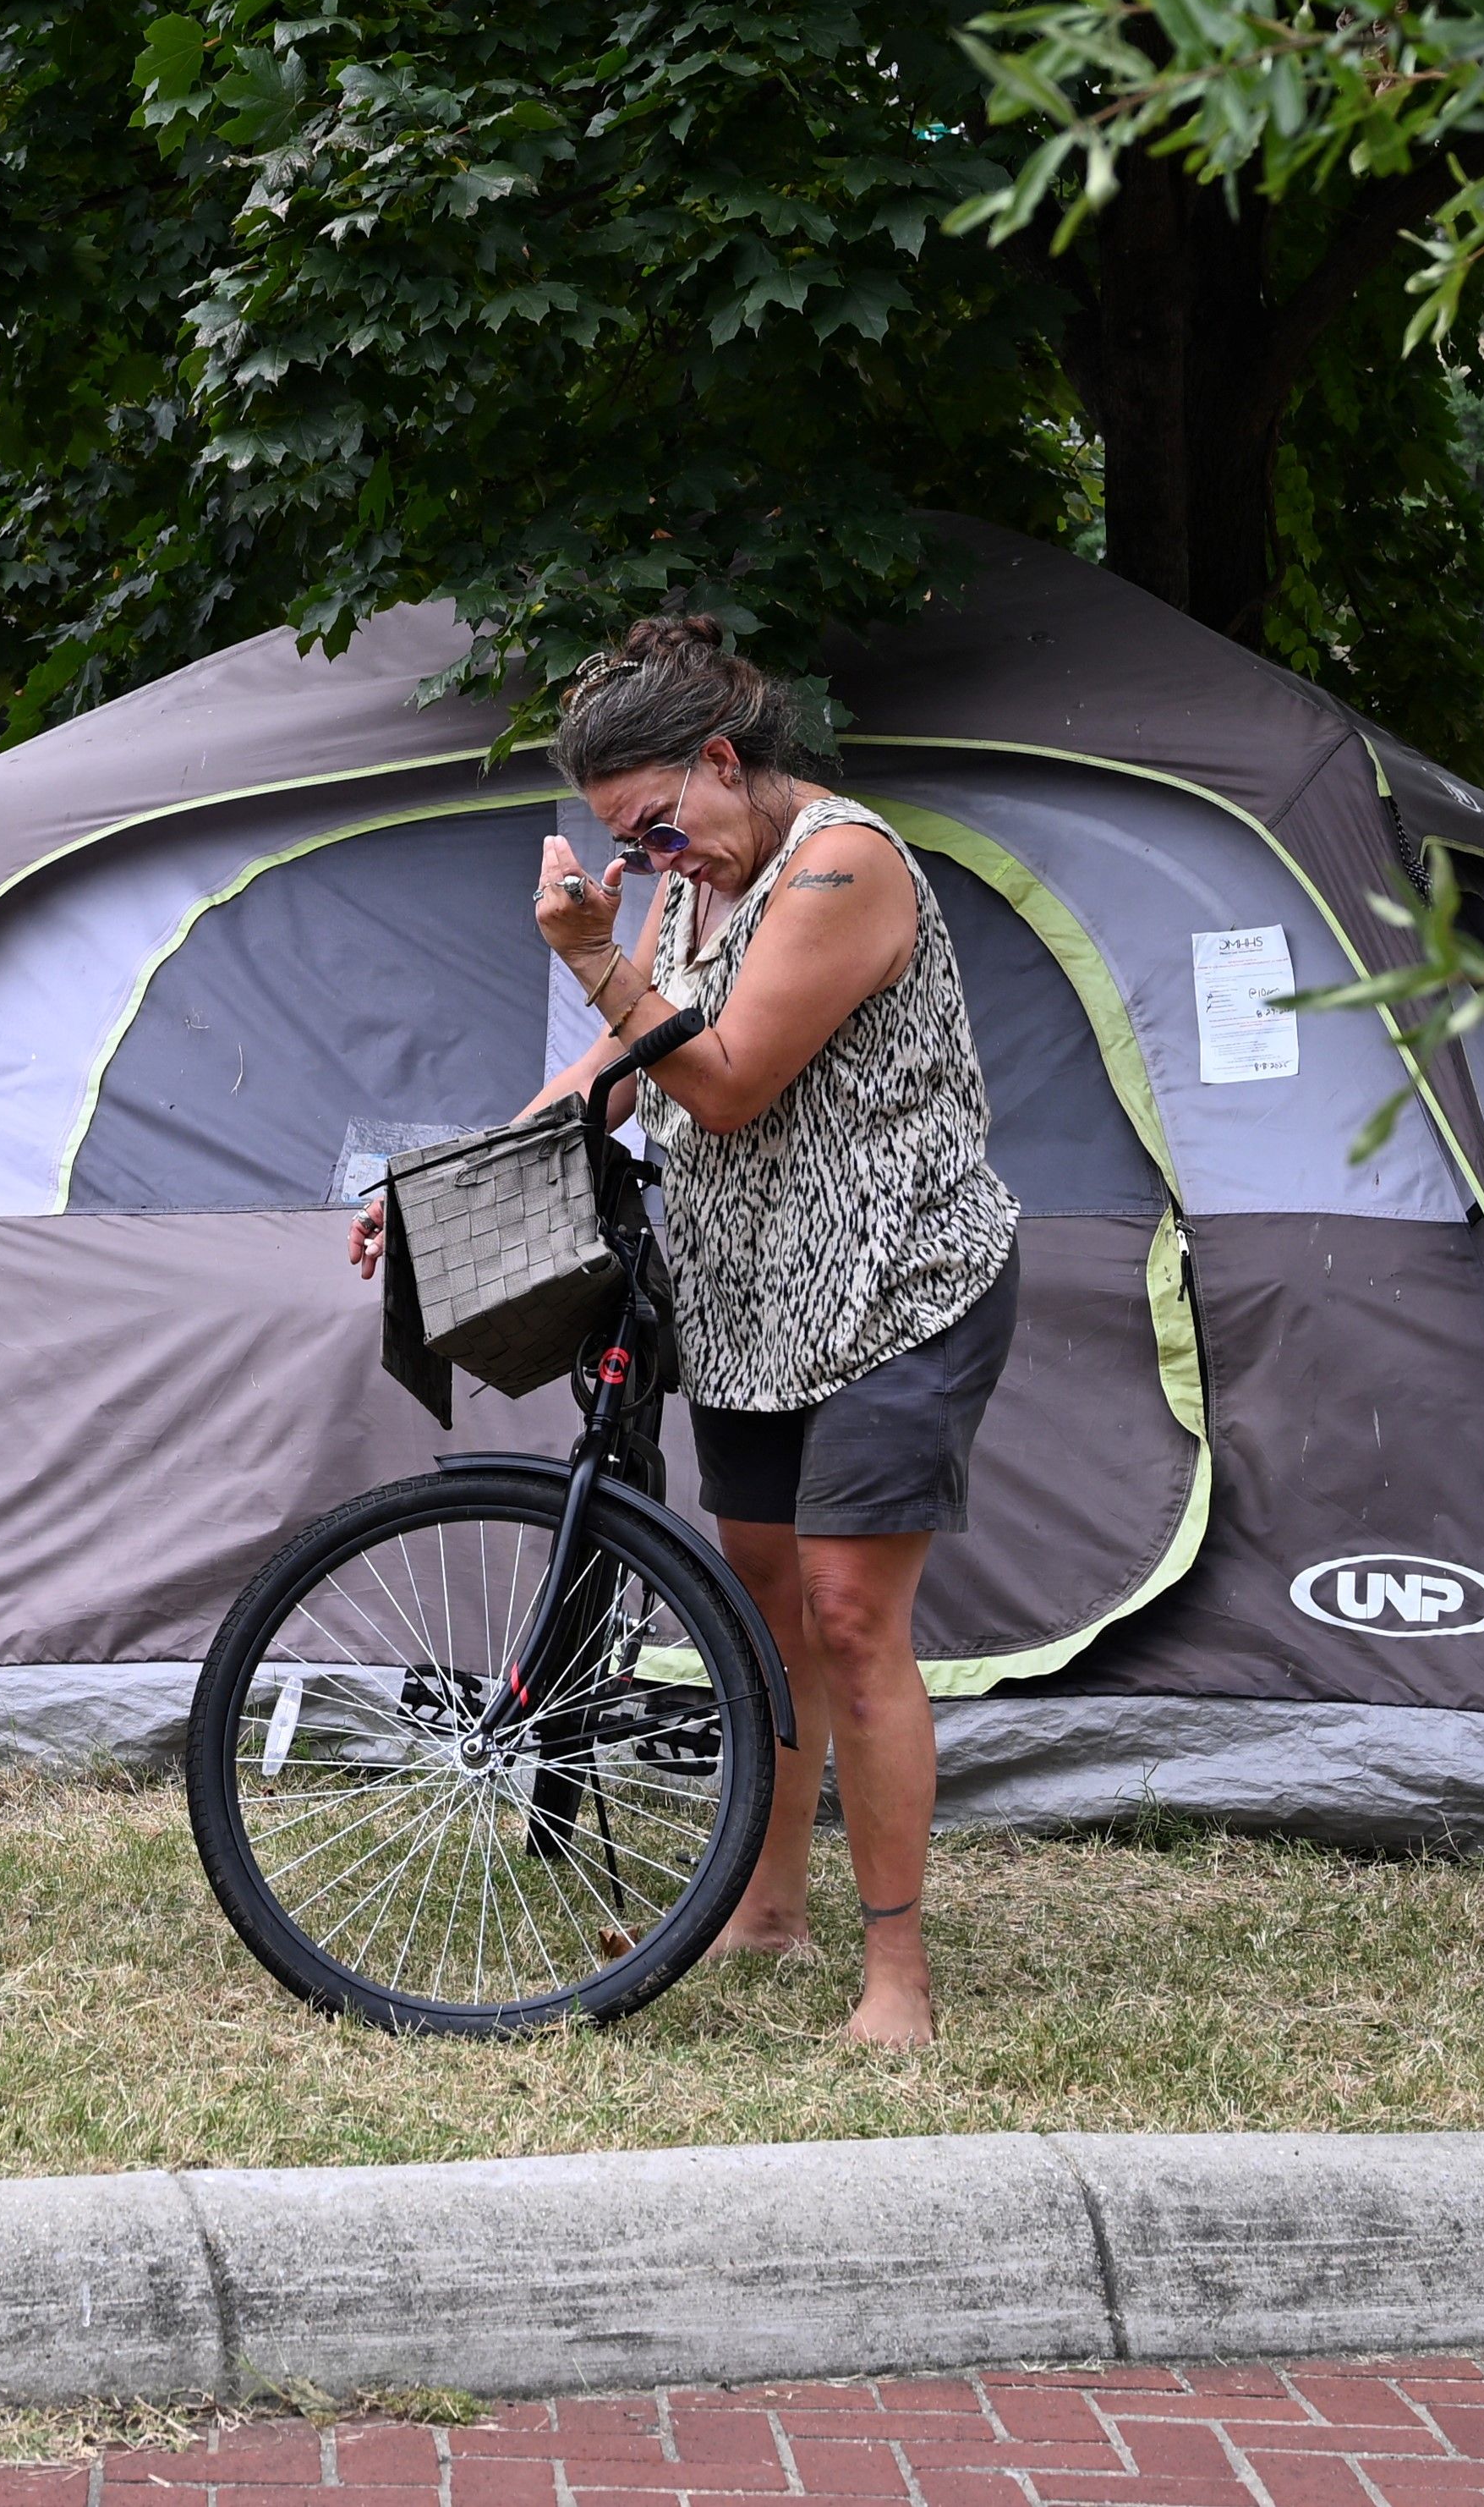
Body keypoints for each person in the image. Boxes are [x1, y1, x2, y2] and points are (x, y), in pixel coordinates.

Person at [350, 614, 1017, 2049]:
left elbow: (716, 1084)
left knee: (848, 1616)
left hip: (898, 1283)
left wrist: (597, 960)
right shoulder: (685, 896)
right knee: (760, 1615)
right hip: (747, 1292)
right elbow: (609, 1070)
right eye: (626, 845)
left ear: (722, 759)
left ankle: (895, 1974)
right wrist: (437, 1193)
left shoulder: (843, 864)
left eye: (658, 825)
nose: (655, 859)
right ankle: (763, 1907)